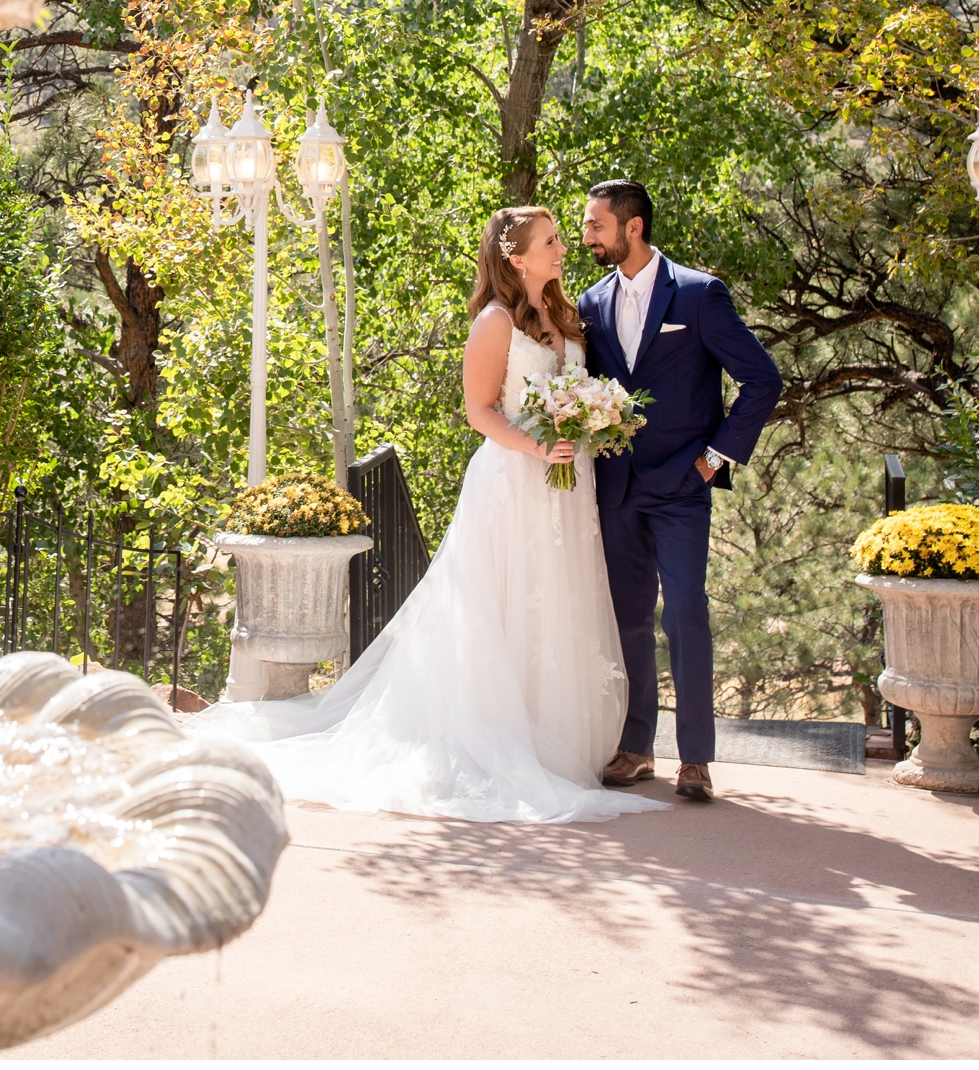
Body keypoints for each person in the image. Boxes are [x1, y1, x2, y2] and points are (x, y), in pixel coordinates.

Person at [191, 205, 665, 824]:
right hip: (514, 482)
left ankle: (561, 741)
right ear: (515, 257)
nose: (561, 250)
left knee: (559, 599)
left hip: (567, 490)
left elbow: (574, 390)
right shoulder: (495, 322)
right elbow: (480, 412)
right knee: (506, 606)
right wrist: (539, 444)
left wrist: (592, 420)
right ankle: (505, 739)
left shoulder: (567, 315)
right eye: (550, 242)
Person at [577, 179, 782, 802]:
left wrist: (713, 459)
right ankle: (638, 747)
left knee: (686, 609)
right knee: (629, 618)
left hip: (682, 487)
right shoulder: (589, 303)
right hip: (615, 487)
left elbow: (761, 380)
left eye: (595, 226)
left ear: (632, 227)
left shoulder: (698, 295)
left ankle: (696, 758)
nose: (587, 236)